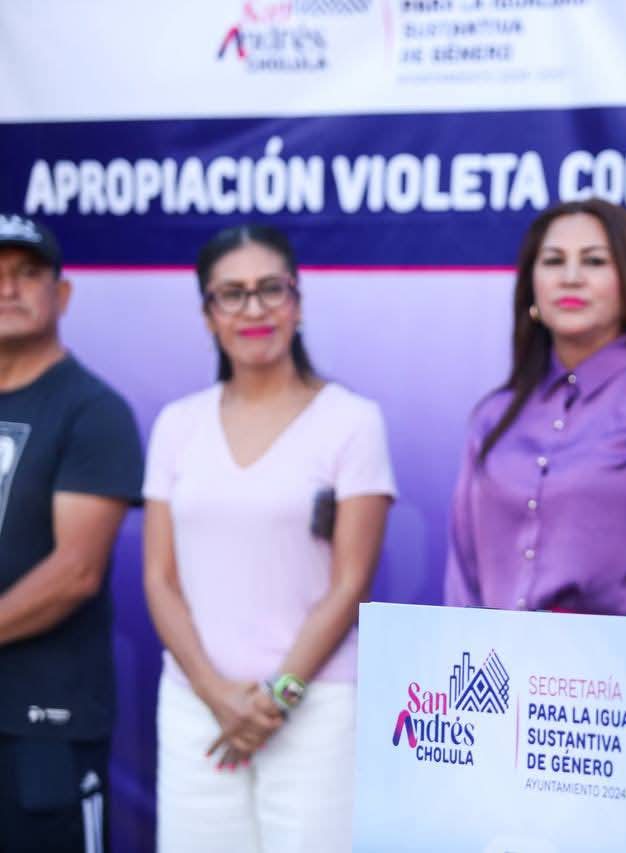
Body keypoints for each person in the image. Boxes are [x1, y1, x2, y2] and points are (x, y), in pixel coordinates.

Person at [142, 224, 396, 853]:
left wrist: (278, 698)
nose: (253, 309)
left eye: (270, 290)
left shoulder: (351, 422)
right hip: (197, 709)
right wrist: (215, 695)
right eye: (231, 294)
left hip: (317, 710)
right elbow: (159, 578)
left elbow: (351, 581)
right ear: (208, 314)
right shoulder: (178, 425)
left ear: (298, 303)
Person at [444, 198, 626, 617]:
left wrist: (609, 675)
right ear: (531, 286)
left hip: (614, 675)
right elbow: (464, 577)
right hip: (493, 670)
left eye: (593, 262)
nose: (571, 278)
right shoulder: (495, 415)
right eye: (553, 261)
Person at [0, 214, 143, 852]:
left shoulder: (93, 410)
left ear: (63, 294)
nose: (9, 289)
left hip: (43, 725)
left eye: (28, 274)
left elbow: (76, 572)